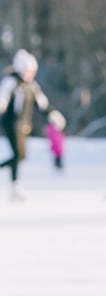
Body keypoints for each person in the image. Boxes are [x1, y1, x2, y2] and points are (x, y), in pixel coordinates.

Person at [0, 49, 64, 200]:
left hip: (24, 125)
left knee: (21, 156)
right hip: (11, 124)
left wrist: (53, 114)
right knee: (18, 154)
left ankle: (15, 186)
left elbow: (42, 104)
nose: (31, 74)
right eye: (29, 71)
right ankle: (15, 188)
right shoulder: (11, 82)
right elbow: (2, 100)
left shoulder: (32, 86)